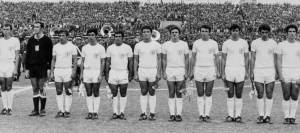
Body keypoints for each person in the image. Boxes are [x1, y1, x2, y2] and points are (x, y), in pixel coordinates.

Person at [190, 25, 220, 122]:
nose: (204, 33)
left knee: (208, 92)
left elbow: (216, 58)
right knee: (200, 92)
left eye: (206, 31)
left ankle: (207, 114)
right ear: (200, 32)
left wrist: (218, 70)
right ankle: (201, 114)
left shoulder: (214, 43)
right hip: (198, 69)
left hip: (210, 69)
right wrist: (191, 70)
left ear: (209, 32)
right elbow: (193, 57)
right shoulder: (196, 43)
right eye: (202, 31)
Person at [250, 24, 278, 124]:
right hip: (258, 70)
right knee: (260, 92)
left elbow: (275, 58)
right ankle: (261, 115)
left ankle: (268, 116)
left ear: (269, 33)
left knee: (269, 93)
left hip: (270, 70)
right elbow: (252, 58)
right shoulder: (255, 43)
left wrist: (276, 71)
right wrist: (251, 71)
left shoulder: (273, 43)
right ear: (259, 32)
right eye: (263, 32)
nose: (264, 34)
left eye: (266, 32)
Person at [221, 24, 249, 123]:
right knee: (230, 93)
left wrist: (246, 71)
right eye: (233, 30)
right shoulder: (226, 43)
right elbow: (223, 58)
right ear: (230, 32)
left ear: (239, 31)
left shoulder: (244, 43)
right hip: (229, 69)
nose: (235, 32)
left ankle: (237, 116)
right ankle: (230, 115)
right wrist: (223, 72)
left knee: (238, 93)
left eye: (237, 30)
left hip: (240, 69)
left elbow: (246, 58)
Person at [134, 26, 161, 121]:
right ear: (142, 33)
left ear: (151, 33)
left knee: (152, 91)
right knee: (143, 91)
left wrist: (159, 72)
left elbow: (159, 59)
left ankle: (152, 113)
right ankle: (143, 113)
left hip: (153, 70)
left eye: (147, 31)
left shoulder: (157, 45)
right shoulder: (138, 45)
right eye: (144, 32)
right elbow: (136, 60)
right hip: (142, 70)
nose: (146, 33)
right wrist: (135, 73)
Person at [25, 22, 53, 117]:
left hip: (43, 66)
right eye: (34, 27)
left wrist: (49, 68)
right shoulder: (31, 40)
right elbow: (28, 55)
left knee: (42, 88)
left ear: (42, 28)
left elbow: (50, 55)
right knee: (35, 88)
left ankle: (43, 109)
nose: (35, 28)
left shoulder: (47, 40)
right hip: (33, 66)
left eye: (37, 27)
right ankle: (35, 109)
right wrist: (27, 68)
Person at [162, 26, 189, 122]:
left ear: (179, 33)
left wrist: (186, 71)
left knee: (179, 92)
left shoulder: (184, 44)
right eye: (172, 32)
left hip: (180, 70)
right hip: (170, 70)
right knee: (171, 92)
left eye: (176, 32)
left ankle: (178, 114)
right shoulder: (165, 45)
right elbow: (164, 59)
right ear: (170, 34)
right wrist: (164, 71)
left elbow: (186, 59)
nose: (174, 34)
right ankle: (172, 114)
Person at [106, 31, 133, 120]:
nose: (117, 38)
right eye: (116, 36)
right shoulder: (110, 48)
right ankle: (115, 112)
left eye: (119, 36)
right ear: (114, 37)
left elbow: (131, 61)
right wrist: (106, 74)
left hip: (123, 72)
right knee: (113, 93)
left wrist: (131, 73)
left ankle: (121, 112)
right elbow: (108, 61)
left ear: (122, 38)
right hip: (113, 72)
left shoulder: (127, 47)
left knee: (123, 92)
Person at [50, 29, 77, 118]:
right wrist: (52, 71)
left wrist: (74, 71)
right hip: (58, 70)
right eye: (60, 36)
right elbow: (53, 60)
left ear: (67, 36)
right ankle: (61, 110)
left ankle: (67, 110)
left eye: (63, 36)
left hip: (67, 70)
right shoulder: (55, 47)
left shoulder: (72, 47)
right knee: (59, 91)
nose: (61, 37)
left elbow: (75, 60)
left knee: (68, 91)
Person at [276, 24, 300, 124]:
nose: (292, 33)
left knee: (295, 95)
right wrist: (280, 74)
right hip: (285, 71)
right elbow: (278, 60)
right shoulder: (281, 45)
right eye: (290, 31)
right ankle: (286, 117)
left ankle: (292, 117)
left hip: (297, 72)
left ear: (296, 33)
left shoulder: (299, 45)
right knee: (286, 94)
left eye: (294, 31)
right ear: (286, 33)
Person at [80, 28, 106, 120]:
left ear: (96, 36)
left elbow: (103, 62)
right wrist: (82, 73)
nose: (90, 37)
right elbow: (82, 61)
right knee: (88, 92)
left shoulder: (101, 48)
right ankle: (90, 111)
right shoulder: (84, 48)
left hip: (96, 71)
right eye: (89, 35)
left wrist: (100, 74)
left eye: (92, 35)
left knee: (96, 91)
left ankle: (96, 112)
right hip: (87, 71)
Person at [0, 24, 20, 115]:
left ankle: (10, 108)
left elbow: (17, 55)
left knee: (9, 86)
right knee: (3, 87)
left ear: (11, 30)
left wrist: (16, 69)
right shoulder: (0, 41)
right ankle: (5, 107)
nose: (6, 31)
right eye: (4, 29)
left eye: (7, 29)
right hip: (1, 65)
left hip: (10, 64)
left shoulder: (15, 41)